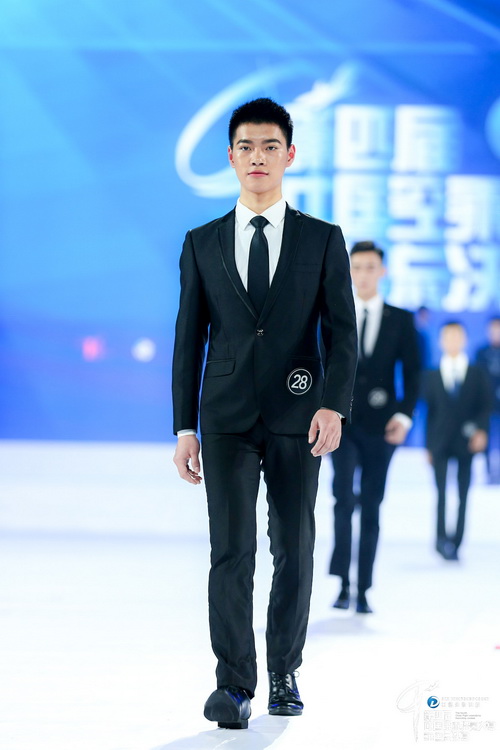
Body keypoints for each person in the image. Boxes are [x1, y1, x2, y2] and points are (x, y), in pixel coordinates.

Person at [172, 98, 357, 729]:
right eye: (247, 147)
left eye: (270, 146)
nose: (258, 157)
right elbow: (188, 338)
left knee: (294, 548)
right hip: (225, 418)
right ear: (231, 157)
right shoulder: (201, 243)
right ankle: (233, 683)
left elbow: (342, 333)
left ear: (290, 155)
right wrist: (185, 427)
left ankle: (284, 670)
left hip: (299, 415)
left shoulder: (322, 239)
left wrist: (334, 404)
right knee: (231, 551)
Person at [328, 240, 420, 614]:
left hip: (382, 429)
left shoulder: (401, 319)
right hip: (342, 425)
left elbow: (413, 373)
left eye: (370, 267)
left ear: (382, 272)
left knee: (371, 504)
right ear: (349, 271)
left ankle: (363, 586)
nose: (363, 275)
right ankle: (342, 582)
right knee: (342, 498)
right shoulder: (335, 314)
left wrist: (404, 416)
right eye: (357, 267)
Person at [425, 321, 492, 560]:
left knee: (463, 493)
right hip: (440, 442)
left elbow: (485, 406)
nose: (452, 341)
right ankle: (440, 539)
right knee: (441, 493)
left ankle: (457, 541)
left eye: (457, 336)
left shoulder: (477, 373)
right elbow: (430, 413)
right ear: (441, 341)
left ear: (464, 340)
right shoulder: (431, 375)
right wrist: (428, 446)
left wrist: (481, 431)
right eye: (448, 337)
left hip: (466, 442)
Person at [475, 316, 500, 483]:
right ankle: (488, 470)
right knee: (486, 435)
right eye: (493, 329)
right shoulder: (481, 353)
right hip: (487, 403)